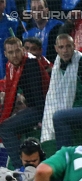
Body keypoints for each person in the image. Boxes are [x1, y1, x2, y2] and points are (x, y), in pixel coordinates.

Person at [40, 34, 82, 149]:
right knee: (55, 115)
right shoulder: (58, 64)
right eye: (61, 47)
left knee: (59, 117)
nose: (65, 50)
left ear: (74, 46)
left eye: (68, 46)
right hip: (78, 107)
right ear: (56, 49)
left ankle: (64, 158)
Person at [0, 37, 50, 169]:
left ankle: (20, 168)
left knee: (5, 128)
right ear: (5, 54)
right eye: (10, 53)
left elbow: (39, 96)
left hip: (42, 109)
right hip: (32, 107)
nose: (15, 55)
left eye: (17, 51)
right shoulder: (10, 66)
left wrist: (42, 120)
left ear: (22, 49)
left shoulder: (31, 63)